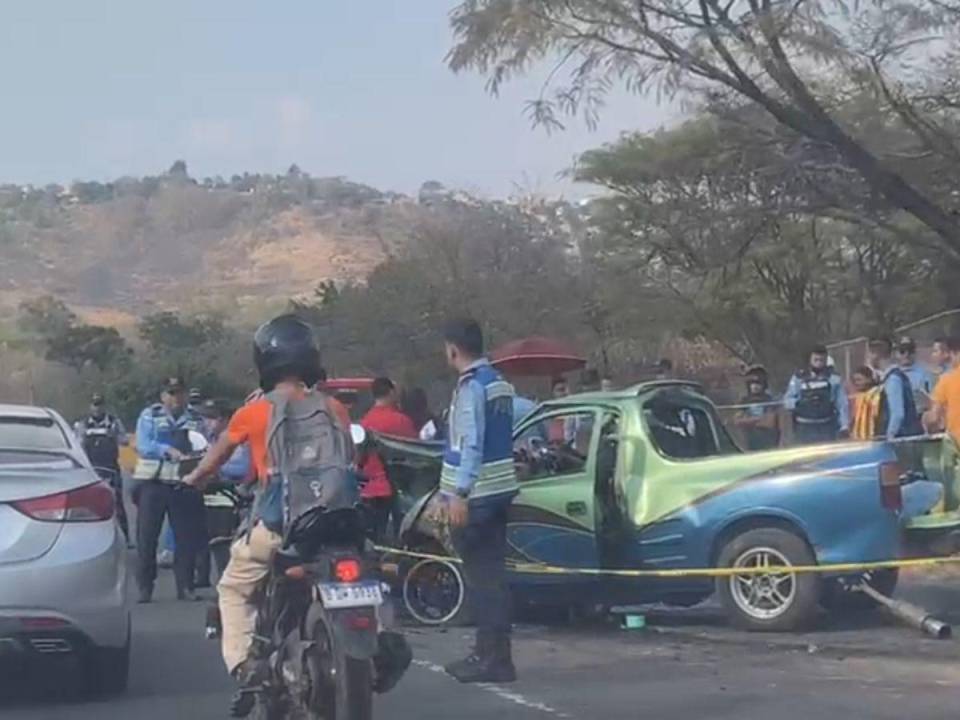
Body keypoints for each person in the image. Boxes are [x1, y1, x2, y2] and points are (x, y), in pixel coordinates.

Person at [182, 315, 354, 715]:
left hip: (282, 527)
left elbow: (217, 458)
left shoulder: (254, 412)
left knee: (233, 588)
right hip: (337, 524)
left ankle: (247, 667)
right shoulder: (334, 408)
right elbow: (351, 457)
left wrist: (193, 477)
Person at [439, 318, 519, 684]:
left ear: (453, 348)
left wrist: (460, 493)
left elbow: (470, 442)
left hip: (478, 495)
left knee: (482, 580)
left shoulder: (471, 387)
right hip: (500, 491)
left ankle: (489, 659)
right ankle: (496, 656)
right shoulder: (499, 382)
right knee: (494, 579)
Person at [132, 377, 208, 603]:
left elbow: (204, 444)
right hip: (153, 483)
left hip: (183, 483)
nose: (176, 398)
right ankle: (145, 587)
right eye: (171, 393)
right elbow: (144, 445)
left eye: (179, 393)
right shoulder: (150, 416)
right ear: (163, 396)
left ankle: (186, 586)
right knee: (147, 537)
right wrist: (167, 450)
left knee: (186, 538)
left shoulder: (195, 418)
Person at [195, 400, 252, 589]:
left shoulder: (240, 441)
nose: (208, 423)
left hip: (238, 501)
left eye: (213, 418)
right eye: (206, 418)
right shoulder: (208, 440)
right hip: (213, 503)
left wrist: (217, 469)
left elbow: (244, 467)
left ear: (227, 420)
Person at [358, 377, 417, 541]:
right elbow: (415, 454)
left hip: (370, 490)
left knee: (375, 537)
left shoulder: (365, 422)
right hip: (399, 489)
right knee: (402, 537)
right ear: (391, 392)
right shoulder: (401, 421)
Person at [75, 393, 130, 543]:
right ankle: (87, 540)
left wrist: (114, 436)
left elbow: (125, 441)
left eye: (99, 404)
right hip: (92, 469)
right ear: (90, 406)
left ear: (104, 405)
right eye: (94, 404)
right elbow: (77, 445)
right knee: (88, 505)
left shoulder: (114, 422)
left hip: (111, 467)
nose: (97, 408)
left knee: (118, 503)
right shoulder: (82, 424)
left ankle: (126, 537)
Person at [784, 345, 850, 444]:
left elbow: (842, 404)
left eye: (822, 360)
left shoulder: (834, 378)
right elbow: (787, 400)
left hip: (826, 426)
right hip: (804, 427)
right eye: (816, 359)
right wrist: (799, 403)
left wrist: (844, 425)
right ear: (810, 359)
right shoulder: (799, 378)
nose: (819, 362)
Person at [866, 338, 923, 439]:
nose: (868, 359)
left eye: (869, 355)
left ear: (876, 355)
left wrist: (889, 436)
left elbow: (897, 414)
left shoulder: (893, 379)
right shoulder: (892, 377)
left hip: (901, 441)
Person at [733, 366, 780, 450]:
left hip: (768, 440)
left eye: (758, 383)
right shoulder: (745, 401)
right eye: (752, 383)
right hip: (751, 441)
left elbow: (769, 423)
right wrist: (759, 420)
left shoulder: (769, 400)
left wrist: (748, 421)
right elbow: (737, 421)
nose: (754, 386)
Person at [896, 336, 935, 417]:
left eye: (910, 351)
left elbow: (933, 400)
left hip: (918, 417)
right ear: (896, 354)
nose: (906, 354)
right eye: (902, 351)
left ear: (915, 352)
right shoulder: (892, 374)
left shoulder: (925, 374)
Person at [849, 366, 882, 440]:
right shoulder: (859, 397)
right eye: (854, 381)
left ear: (869, 379)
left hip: (872, 437)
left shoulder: (876, 394)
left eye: (859, 380)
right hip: (859, 439)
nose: (856, 383)